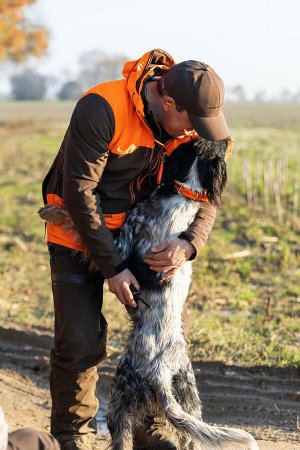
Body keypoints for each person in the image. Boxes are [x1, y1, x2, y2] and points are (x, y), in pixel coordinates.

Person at [40, 49, 231, 450]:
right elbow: (79, 190)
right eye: (191, 122)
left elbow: (206, 197)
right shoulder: (102, 106)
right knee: (80, 341)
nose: (194, 132)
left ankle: (149, 426)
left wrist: (188, 243)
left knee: (166, 338)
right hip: (77, 234)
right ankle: (73, 434)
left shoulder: (196, 128)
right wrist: (112, 267)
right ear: (167, 101)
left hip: (144, 243)